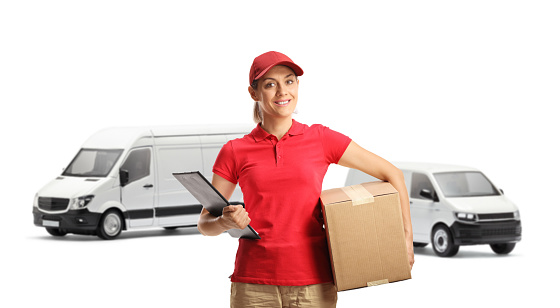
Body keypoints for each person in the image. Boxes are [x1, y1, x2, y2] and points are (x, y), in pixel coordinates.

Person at [198, 51, 414, 308]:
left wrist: (406, 242)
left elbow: (393, 174)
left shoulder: (321, 139)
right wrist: (224, 221)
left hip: (314, 283)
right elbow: (204, 223)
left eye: (289, 81)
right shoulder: (235, 150)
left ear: (297, 86)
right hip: (253, 284)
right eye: (270, 84)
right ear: (253, 93)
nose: (282, 92)